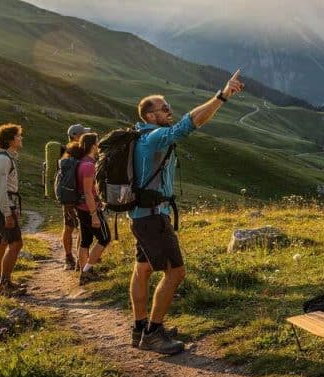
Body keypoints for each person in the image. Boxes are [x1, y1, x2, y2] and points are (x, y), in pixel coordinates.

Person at [131, 71, 244, 354]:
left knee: (143, 269)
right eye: (164, 108)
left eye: (168, 106)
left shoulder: (139, 137)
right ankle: (154, 333)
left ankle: (139, 328)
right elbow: (186, 127)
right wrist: (221, 96)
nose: (169, 110)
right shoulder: (155, 137)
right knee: (176, 273)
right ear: (150, 116)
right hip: (153, 217)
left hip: (140, 215)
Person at [0, 123, 26, 296]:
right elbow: (0, 189)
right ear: (10, 140)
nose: (21, 138)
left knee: (1, 243)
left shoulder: (5, 158)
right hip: (3, 206)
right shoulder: (3, 160)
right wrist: (8, 213)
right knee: (16, 243)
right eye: (18, 136)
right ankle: (5, 283)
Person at [68, 132, 110, 285]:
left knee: (85, 240)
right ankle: (86, 271)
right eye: (97, 143)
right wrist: (94, 215)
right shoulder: (89, 165)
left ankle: (84, 273)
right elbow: (87, 192)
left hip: (81, 207)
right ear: (93, 146)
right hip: (89, 208)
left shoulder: (81, 162)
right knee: (105, 238)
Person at [58, 123, 91, 271]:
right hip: (79, 196)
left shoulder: (66, 153)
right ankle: (76, 260)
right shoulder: (77, 153)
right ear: (75, 136)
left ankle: (70, 258)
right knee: (79, 228)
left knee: (69, 227)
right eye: (83, 133)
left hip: (69, 198)